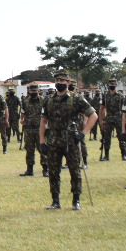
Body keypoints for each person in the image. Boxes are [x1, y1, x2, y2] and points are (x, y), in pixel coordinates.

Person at [40, 72, 97, 210]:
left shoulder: (76, 99)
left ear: (68, 83)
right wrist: (42, 141)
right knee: (53, 172)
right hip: (53, 140)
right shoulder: (48, 100)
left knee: (75, 171)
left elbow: (93, 116)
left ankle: (76, 200)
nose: (59, 82)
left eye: (62, 80)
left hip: (71, 141)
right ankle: (55, 201)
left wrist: (83, 133)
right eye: (57, 80)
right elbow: (43, 121)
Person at [19, 83, 44, 177]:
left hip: (40, 128)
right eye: (31, 91)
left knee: (42, 149)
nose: (33, 92)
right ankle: (30, 170)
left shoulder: (43, 100)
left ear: (38, 91)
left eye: (34, 91)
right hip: (29, 128)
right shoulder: (26, 101)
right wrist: (23, 119)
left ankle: (45, 169)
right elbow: (23, 112)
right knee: (29, 150)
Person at [98, 78, 125, 162]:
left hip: (118, 117)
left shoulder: (121, 96)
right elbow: (101, 108)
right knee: (106, 137)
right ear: (109, 85)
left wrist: (125, 120)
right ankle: (106, 155)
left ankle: (124, 154)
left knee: (121, 136)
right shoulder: (105, 96)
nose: (112, 86)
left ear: (116, 85)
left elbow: (125, 109)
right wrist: (101, 120)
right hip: (108, 118)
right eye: (111, 84)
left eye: (113, 84)